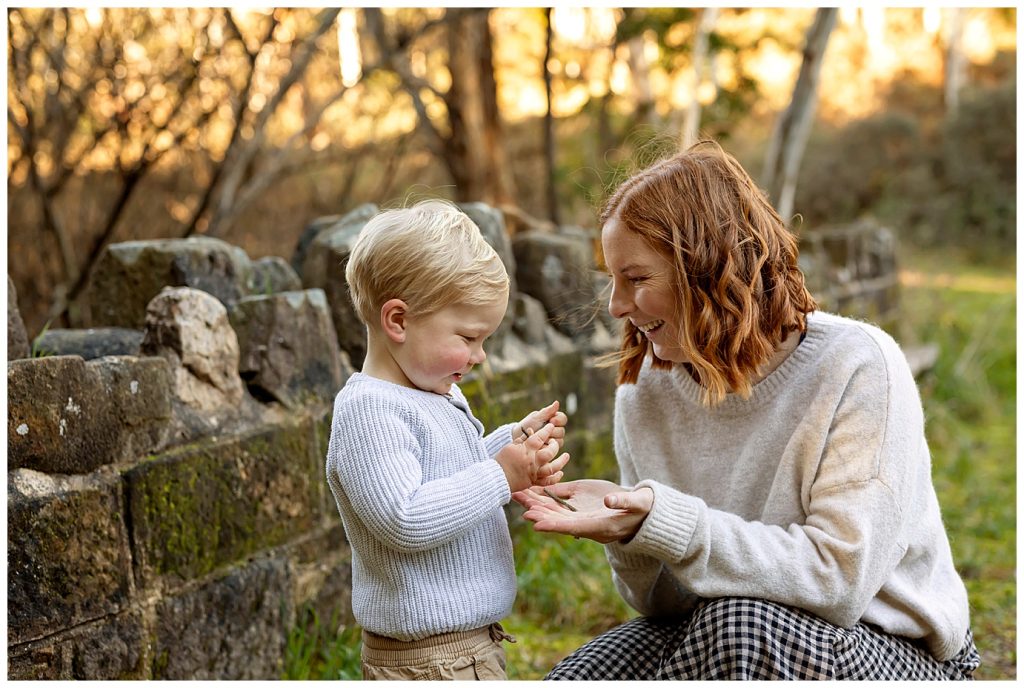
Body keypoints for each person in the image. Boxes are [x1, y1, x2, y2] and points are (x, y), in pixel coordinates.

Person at [513, 141, 980, 680]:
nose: (617, 305)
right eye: (612, 280)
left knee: (740, 625)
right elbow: (663, 609)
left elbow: (839, 581)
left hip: (894, 646)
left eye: (637, 279)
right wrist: (631, 534)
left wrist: (670, 522)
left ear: (708, 267)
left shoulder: (858, 366)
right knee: (589, 673)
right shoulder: (645, 391)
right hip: (719, 630)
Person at [326, 200, 570, 680]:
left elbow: (447, 472)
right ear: (398, 321)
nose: (479, 355)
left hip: (468, 648)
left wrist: (513, 443)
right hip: (427, 662)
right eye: (468, 337)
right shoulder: (370, 411)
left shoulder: (432, 392)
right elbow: (406, 517)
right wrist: (501, 474)